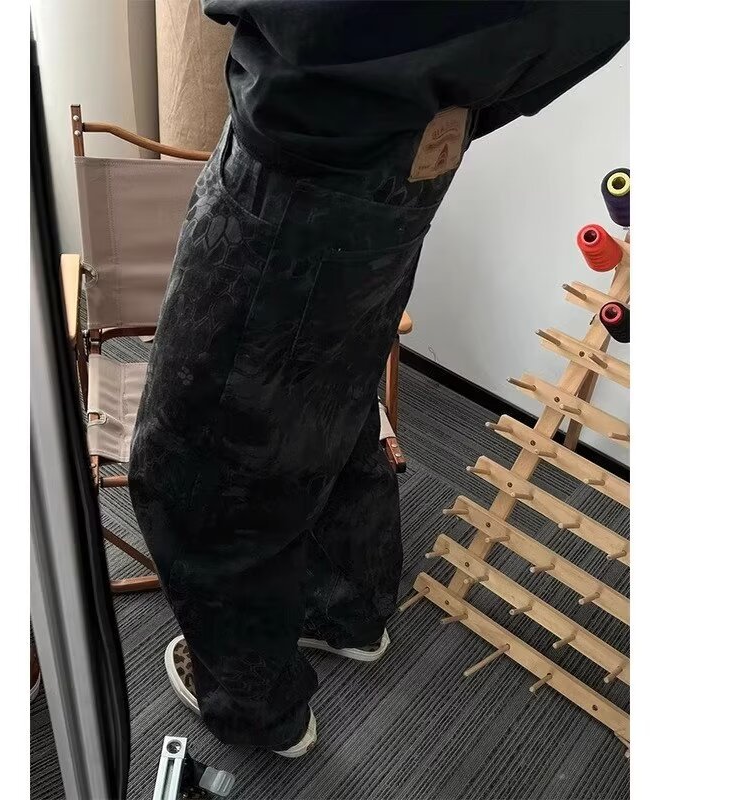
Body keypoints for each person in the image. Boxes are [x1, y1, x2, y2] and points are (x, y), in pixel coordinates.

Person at [129, 0, 629, 757]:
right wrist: (468, 99)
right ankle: (345, 610)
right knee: (330, 388)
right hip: (404, 156)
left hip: (304, 155)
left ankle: (257, 707)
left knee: (193, 461)